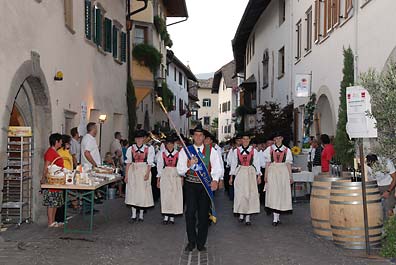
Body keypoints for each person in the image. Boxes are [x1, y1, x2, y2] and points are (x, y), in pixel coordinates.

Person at [177, 124, 222, 252]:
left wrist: (215, 180)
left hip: (205, 186)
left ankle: (201, 243)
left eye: (200, 135)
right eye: (195, 135)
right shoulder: (185, 150)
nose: (198, 137)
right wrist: (189, 164)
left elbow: (217, 167)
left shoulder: (211, 151)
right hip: (190, 185)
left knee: (203, 215)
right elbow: (180, 170)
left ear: (204, 137)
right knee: (190, 213)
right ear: (192, 137)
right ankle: (191, 242)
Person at [229, 133, 261, 225]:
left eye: (247, 139)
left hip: (250, 172)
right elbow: (234, 164)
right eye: (244, 139)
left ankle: (248, 217)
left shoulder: (254, 151)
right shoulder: (236, 151)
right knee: (240, 194)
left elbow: (257, 163)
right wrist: (231, 177)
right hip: (240, 172)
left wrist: (258, 175)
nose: (246, 141)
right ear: (241, 140)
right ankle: (241, 213)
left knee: (250, 194)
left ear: (249, 140)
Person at [263, 132, 293, 226]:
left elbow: (288, 164)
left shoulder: (287, 150)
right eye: (276, 138)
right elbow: (267, 163)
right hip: (272, 172)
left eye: (279, 138)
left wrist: (290, 176)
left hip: (283, 172)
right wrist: (266, 175)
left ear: (282, 138)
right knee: (274, 193)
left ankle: (278, 217)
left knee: (281, 193)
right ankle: (275, 218)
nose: (278, 140)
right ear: (274, 140)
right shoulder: (269, 149)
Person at [125, 130, 155, 222]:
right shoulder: (131, 149)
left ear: (144, 139)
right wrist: (126, 175)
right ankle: (133, 214)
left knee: (142, 193)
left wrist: (147, 173)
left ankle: (141, 214)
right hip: (133, 170)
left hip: (143, 170)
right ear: (135, 139)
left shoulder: (149, 149)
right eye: (137, 138)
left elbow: (150, 163)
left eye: (141, 138)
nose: (139, 140)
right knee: (133, 192)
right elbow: (128, 162)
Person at [156, 135, 183, 224]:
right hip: (165, 174)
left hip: (175, 175)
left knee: (174, 195)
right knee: (166, 195)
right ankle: (166, 216)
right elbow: (159, 167)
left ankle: (172, 216)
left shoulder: (178, 153)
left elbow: (181, 167)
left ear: (174, 144)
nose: (170, 145)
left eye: (171, 144)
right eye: (168, 144)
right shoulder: (162, 153)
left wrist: (182, 178)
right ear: (166, 144)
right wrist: (158, 180)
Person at [41, 133, 64, 228]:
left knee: (55, 201)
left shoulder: (55, 152)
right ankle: (50, 221)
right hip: (52, 180)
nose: (61, 143)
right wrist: (43, 177)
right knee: (51, 202)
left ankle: (53, 221)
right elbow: (47, 166)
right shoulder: (50, 152)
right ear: (56, 142)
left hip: (57, 180)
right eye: (60, 141)